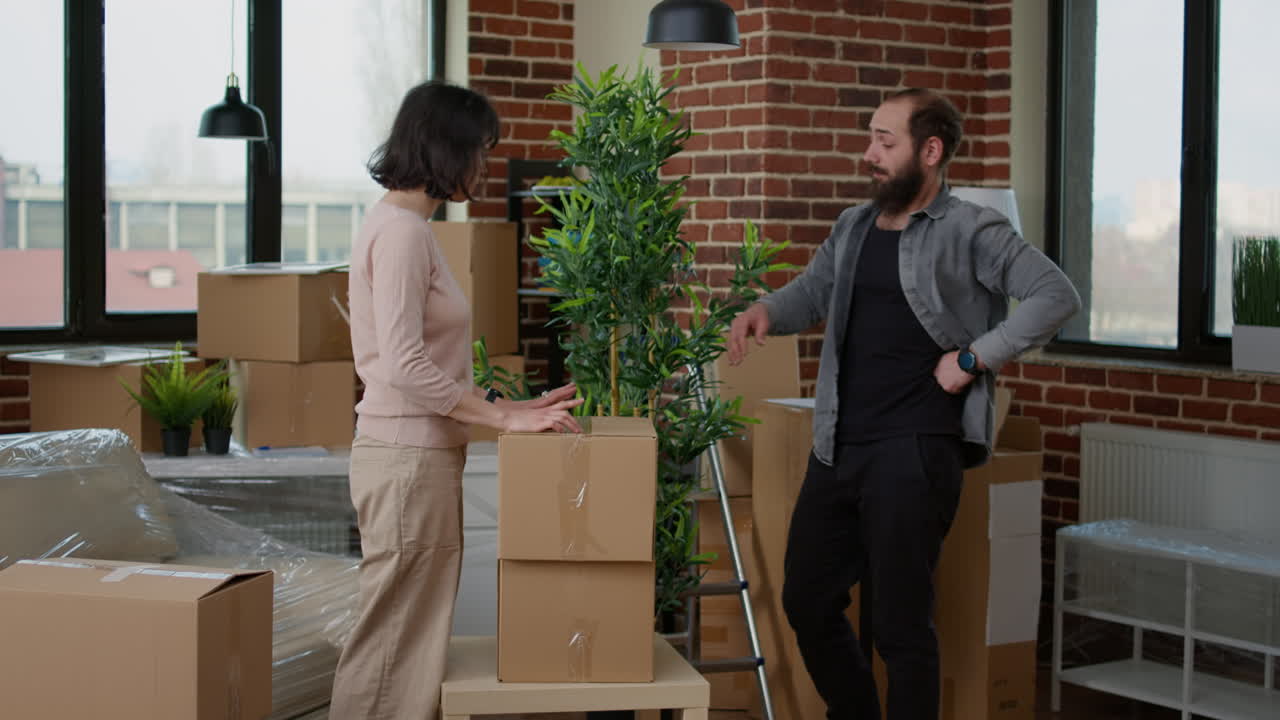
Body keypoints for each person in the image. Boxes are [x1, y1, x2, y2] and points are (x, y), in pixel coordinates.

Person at [726, 88, 1081, 720]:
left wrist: (974, 357)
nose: (870, 154)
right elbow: (812, 295)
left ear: (931, 150)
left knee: (901, 627)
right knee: (807, 598)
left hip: (916, 448)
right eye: (871, 139)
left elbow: (1055, 294)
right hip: (839, 444)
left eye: (885, 142)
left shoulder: (972, 230)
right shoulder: (853, 226)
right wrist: (764, 312)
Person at [330, 81, 583, 720]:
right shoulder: (404, 234)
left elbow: (416, 365)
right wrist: (501, 419)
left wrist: (514, 410)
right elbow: (405, 366)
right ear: (446, 148)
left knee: (409, 646)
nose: (485, 166)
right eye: (481, 151)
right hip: (408, 462)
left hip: (416, 458)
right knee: (392, 648)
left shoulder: (401, 226)